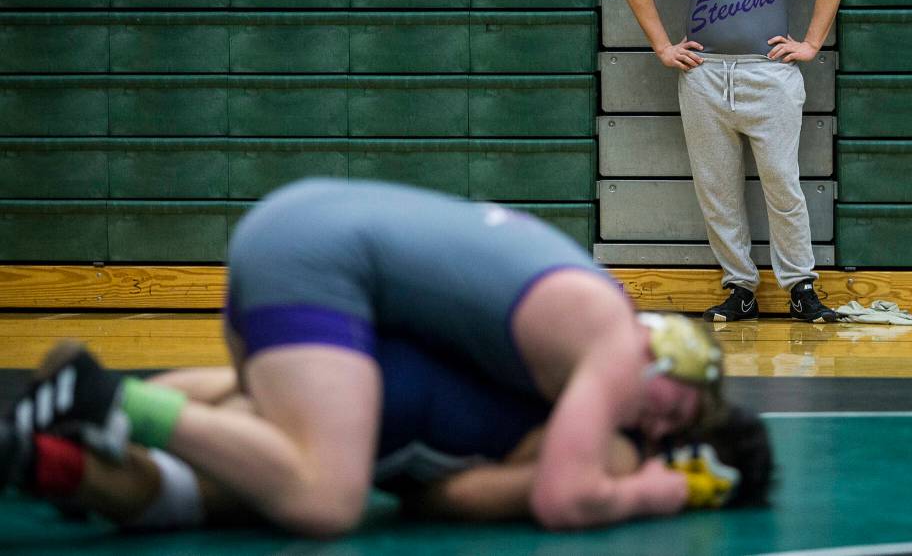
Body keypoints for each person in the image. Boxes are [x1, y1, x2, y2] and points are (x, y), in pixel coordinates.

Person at [2, 177, 734, 537]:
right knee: (325, 497)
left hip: (302, 233)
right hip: (322, 261)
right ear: (672, 360)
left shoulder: (577, 322)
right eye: (679, 412)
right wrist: (660, 489)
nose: (661, 430)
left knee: (240, 463)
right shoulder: (615, 340)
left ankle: (64, 455)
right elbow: (556, 496)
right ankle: (108, 401)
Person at [1, 337, 773, 530]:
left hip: (353, 351)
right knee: (200, 494)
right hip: (378, 424)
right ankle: (75, 438)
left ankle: (79, 423)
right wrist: (642, 491)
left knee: (240, 397)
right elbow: (460, 495)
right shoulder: (610, 447)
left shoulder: (581, 349)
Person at [623, 0, 846, 324]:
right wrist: (663, 47)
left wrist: (811, 43)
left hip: (768, 73)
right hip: (704, 76)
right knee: (716, 188)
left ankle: (800, 288)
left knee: (782, 184)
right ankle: (740, 287)